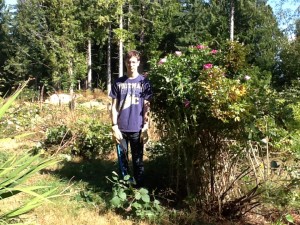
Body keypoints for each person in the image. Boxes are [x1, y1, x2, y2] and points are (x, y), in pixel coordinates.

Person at [109, 50, 153, 188]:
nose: (131, 65)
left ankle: (138, 190)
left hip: (137, 129)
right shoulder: (118, 82)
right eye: (128, 62)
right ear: (125, 63)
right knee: (122, 162)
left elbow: (147, 105)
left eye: (134, 62)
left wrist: (146, 126)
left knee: (138, 162)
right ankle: (125, 189)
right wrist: (114, 126)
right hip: (121, 130)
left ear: (138, 63)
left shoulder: (144, 82)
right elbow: (113, 106)